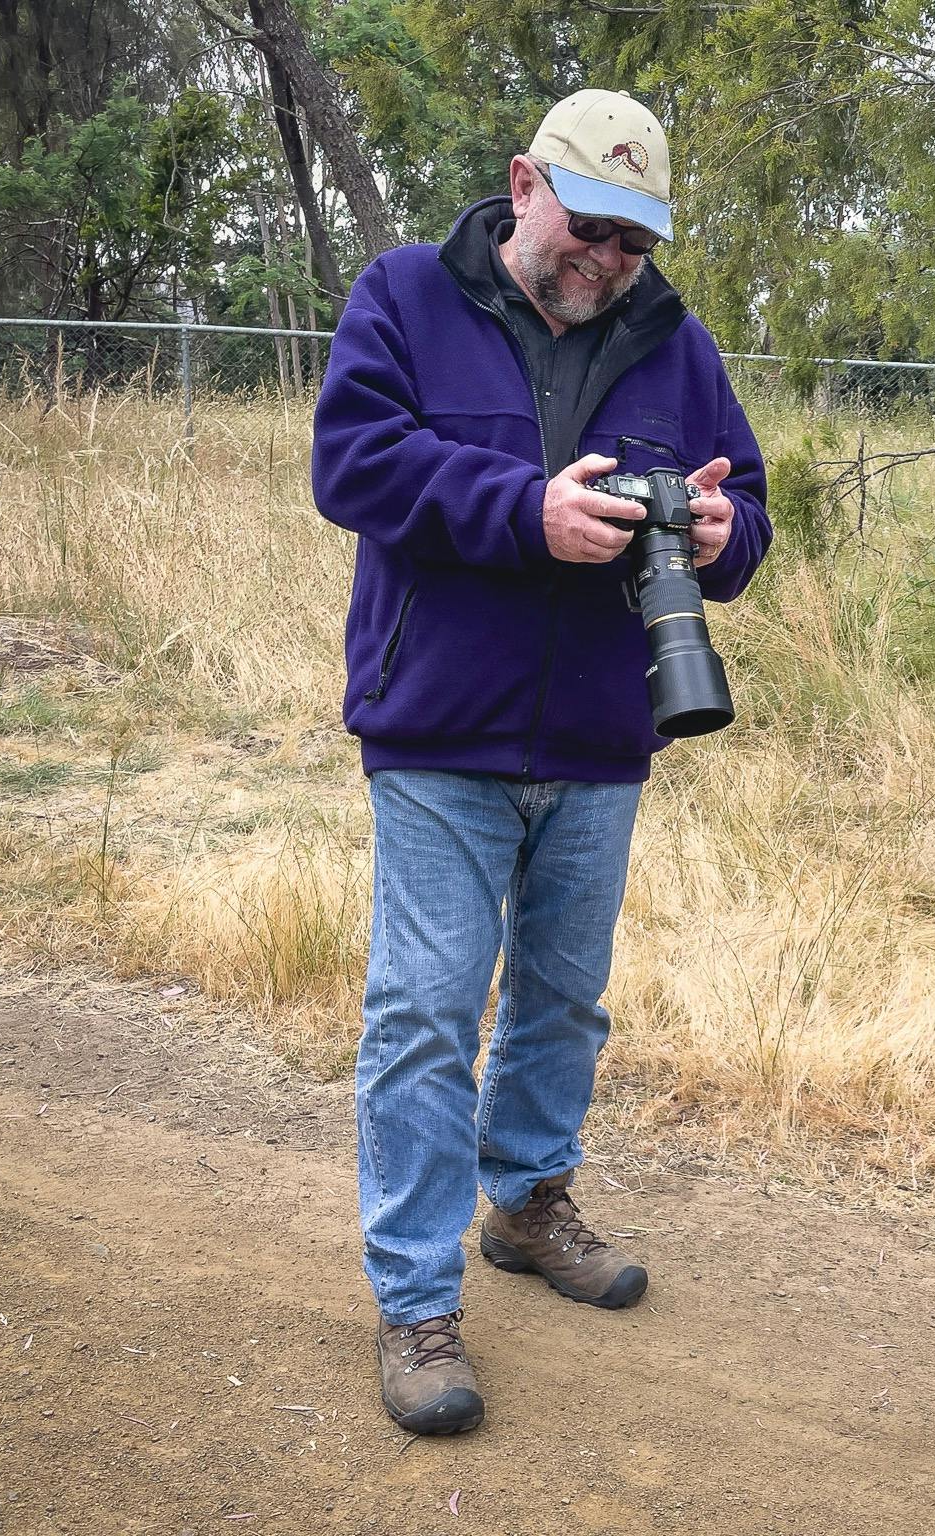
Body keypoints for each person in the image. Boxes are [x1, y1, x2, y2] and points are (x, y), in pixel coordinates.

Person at [310, 89, 771, 1435]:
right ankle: (414, 1301)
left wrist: (714, 525)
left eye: (633, 241)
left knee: (565, 1003)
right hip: (437, 731)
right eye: (589, 226)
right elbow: (352, 464)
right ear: (524, 185)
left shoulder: (675, 346)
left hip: (599, 740)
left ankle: (525, 1202)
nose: (606, 261)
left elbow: (747, 533)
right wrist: (526, 511)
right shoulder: (402, 296)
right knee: (427, 1012)